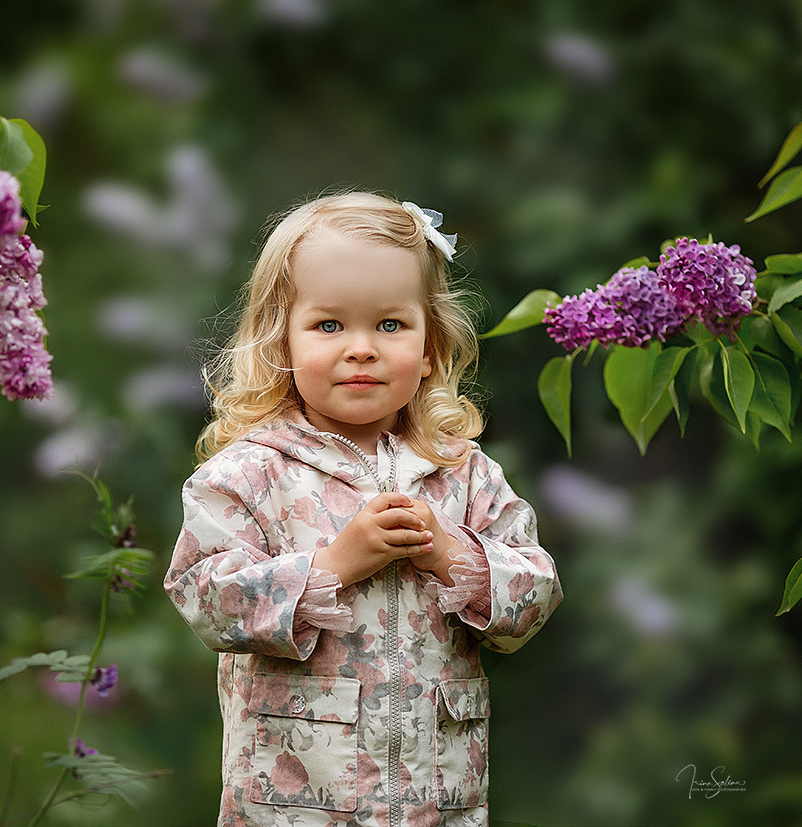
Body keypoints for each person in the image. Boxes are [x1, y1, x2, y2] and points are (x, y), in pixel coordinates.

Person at [164, 192, 562, 826]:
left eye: (390, 325)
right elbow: (204, 597)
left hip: (435, 803)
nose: (361, 348)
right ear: (280, 341)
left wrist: (450, 553)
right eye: (328, 326)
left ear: (430, 345)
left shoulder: (462, 472)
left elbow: (536, 597)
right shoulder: (250, 472)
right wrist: (333, 564)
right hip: (300, 805)